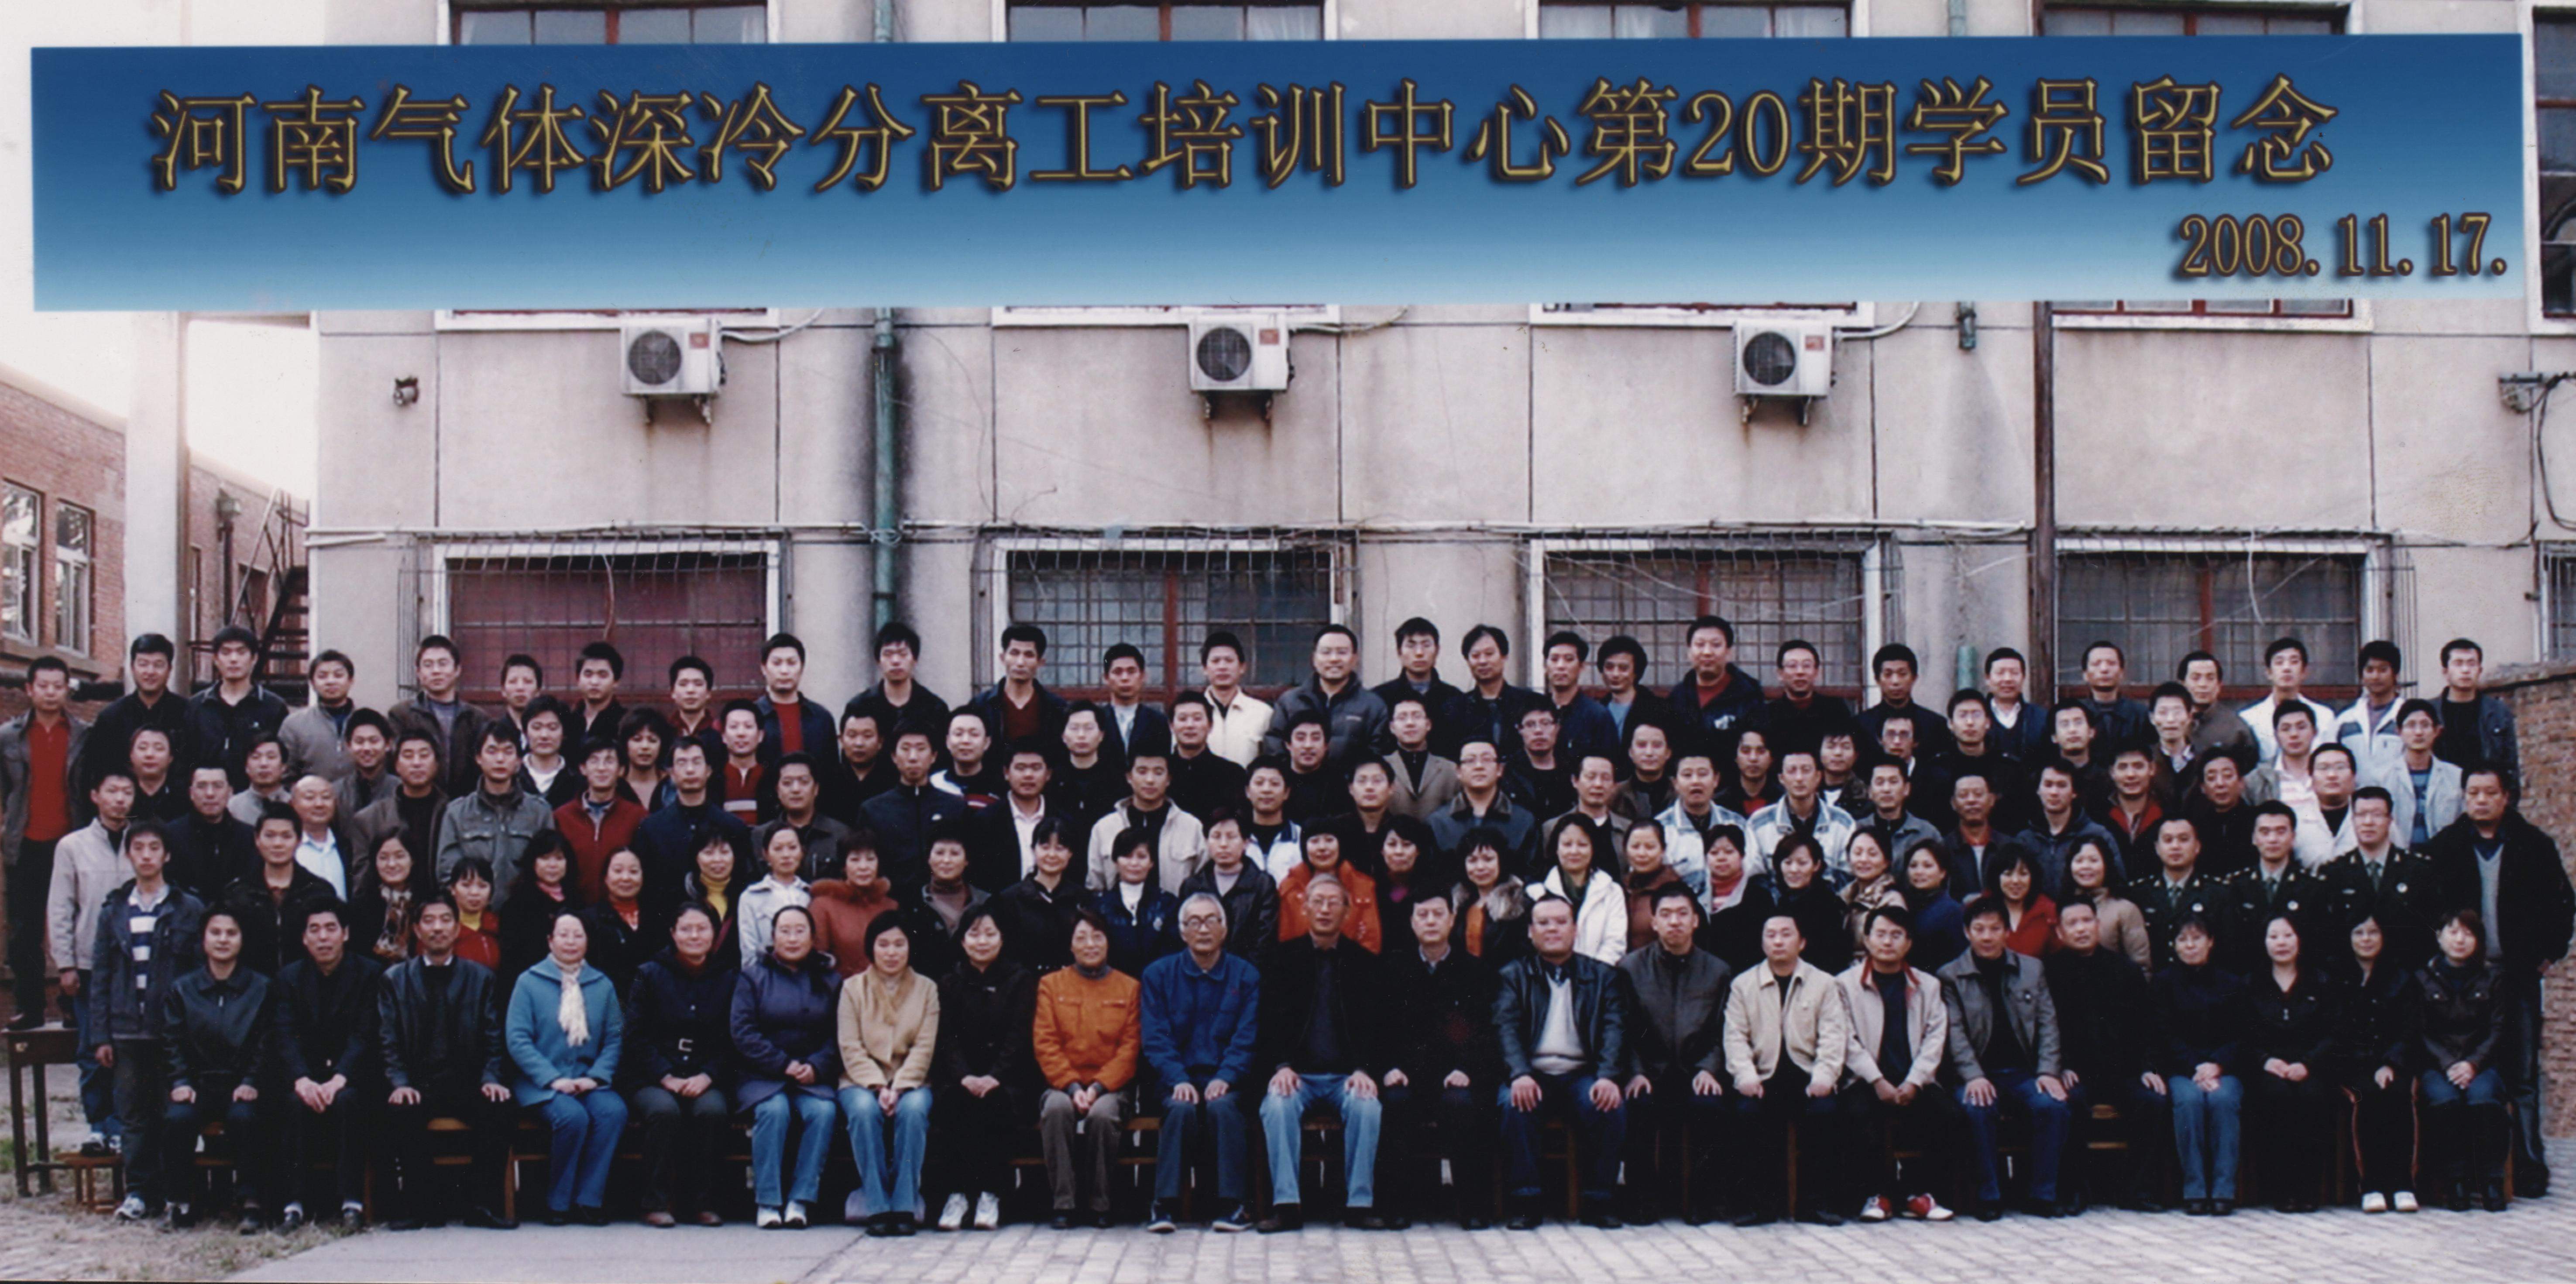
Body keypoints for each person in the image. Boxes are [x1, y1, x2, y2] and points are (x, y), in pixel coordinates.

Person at [2424, 764, 2576, 1194]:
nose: (2481, 800)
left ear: (2506, 796)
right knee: (2466, 1069)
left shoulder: (2534, 845)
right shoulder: (2446, 847)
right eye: (2473, 792)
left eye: (2490, 792)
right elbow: (2428, 909)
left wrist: (2547, 956)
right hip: (2462, 977)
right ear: (2464, 797)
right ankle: (2471, 1168)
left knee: (2522, 1073)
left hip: (2518, 973)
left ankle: (2528, 1165)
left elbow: (2562, 905)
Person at [376, 893, 517, 1231]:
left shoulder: (481, 978)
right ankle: (423, 1207)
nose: (437, 928)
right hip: (418, 1082)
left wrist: (491, 1078)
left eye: (445, 921)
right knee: (400, 1109)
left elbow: (493, 1037)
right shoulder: (395, 980)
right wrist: (400, 1083)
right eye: (429, 921)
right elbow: (388, 1039)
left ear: (456, 929)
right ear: (417, 930)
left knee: (499, 1106)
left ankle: (482, 1205)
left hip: (467, 1080)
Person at [1253, 876, 1386, 1232]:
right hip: (1297, 1075)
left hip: (1346, 1076)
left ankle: (1359, 1204)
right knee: (1278, 1105)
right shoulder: (1281, 960)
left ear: (1347, 911)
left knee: (1367, 1106)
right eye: (1318, 902)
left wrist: (1364, 1069)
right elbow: (1267, 1023)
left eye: (1333, 903)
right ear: (1304, 908)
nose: (1325, 909)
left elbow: (1377, 1027)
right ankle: (1287, 1205)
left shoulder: (1365, 963)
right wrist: (1281, 1066)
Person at [88, 820, 203, 1219]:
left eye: (155, 848)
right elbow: (101, 976)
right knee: (134, 1116)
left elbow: (199, 975)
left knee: (174, 1114)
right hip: (126, 1030)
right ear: (129, 855)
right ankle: (138, 1192)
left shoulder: (188, 909)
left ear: (167, 855)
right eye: (139, 848)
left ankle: (175, 1192)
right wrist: (100, 1035)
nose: (147, 856)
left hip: (171, 1032)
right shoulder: (115, 910)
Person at [1495, 896, 1629, 1229]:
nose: (1552, 929)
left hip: (1582, 1073)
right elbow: (1505, 1028)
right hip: (1533, 1072)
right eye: (1543, 923)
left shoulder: (1602, 976)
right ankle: (1525, 1201)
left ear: (1575, 929)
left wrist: (1608, 1076)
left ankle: (1599, 1201)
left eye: (1560, 922)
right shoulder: (1513, 975)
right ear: (1531, 932)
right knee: (1515, 1105)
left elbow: (1615, 1029)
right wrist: (1520, 1074)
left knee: (1609, 1105)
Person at [1938, 899, 2070, 1219]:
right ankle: (1989, 1195)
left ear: (2007, 932)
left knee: (2052, 1105)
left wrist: (2048, 1071)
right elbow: (1955, 1034)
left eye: (1995, 929)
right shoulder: (1951, 976)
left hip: (2024, 1072)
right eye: (1980, 929)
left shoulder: (2032, 969)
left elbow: (2048, 1024)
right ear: (1967, 933)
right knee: (1977, 1108)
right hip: (1979, 1073)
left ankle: (2042, 1194)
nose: (1987, 937)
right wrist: (1973, 1076)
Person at [1138, 894, 1261, 1233]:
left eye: (1211, 921)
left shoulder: (1246, 976)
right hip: (1175, 1079)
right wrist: (1178, 1078)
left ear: (1225, 929)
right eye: (1194, 922)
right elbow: (1156, 1038)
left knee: (1223, 1107)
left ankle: (1232, 1205)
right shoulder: (1158, 975)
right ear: (1182, 931)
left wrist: (1227, 1076)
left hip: (1228, 1079)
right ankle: (1165, 1205)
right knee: (1181, 1109)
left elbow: (1246, 1037)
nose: (1203, 929)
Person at [1377, 894, 1498, 1229]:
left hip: (1456, 1075)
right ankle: (1397, 1205)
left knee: (1463, 1103)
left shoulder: (1475, 970)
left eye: (1438, 914)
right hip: (1406, 1074)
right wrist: (1389, 1068)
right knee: (1395, 1101)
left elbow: (1485, 1031)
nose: (1430, 921)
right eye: (1423, 914)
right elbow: (1379, 1028)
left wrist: (1467, 1069)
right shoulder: (1393, 969)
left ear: (1452, 919)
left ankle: (1473, 1206)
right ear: (1412, 921)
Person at [503, 909, 627, 1226]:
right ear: (550, 941)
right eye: (564, 935)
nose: (571, 942)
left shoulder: (602, 985)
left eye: (578, 935)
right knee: (572, 1118)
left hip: (588, 1081)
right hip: (540, 1083)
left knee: (613, 1112)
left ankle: (589, 1200)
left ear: (587, 941)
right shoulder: (529, 982)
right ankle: (557, 1202)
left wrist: (596, 1077)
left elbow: (615, 1037)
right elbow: (518, 1039)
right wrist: (553, 1078)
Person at [1723, 912, 1847, 1225]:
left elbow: (1834, 1036)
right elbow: (1735, 1037)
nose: (1778, 941)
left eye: (1786, 934)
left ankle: (1815, 1205)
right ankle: (1759, 1206)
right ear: (1762, 942)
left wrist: (1825, 1076)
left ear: (1802, 942)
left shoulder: (1824, 983)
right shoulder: (1743, 985)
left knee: (1826, 1113)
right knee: (1746, 1114)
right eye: (1771, 935)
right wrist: (1745, 1075)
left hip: (1807, 1075)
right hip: (1763, 1076)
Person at [2043, 899, 2166, 1212]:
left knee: (2152, 1101)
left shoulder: (2125, 970)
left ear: (2099, 926)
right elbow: (2045, 1028)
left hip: (2123, 1070)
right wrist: (2061, 1066)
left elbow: (2147, 1025)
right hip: (2076, 1071)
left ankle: (2137, 1190)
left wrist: (2148, 1067)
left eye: (2087, 921)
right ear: (2060, 932)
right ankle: (2073, 1191)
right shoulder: (2051, 972)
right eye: (2073, 924)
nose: (2082, 929)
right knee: (2068, 1103)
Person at [1617, 886, 1731, 1224]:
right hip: (1650, 1070)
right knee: (1637, 1105)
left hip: (1696, 1070)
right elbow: (1624, 1030)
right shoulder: (1631, 968)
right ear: (1653, 922)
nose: (1675, 922)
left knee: (1709, 1106)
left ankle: (1701, 1200)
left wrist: (1710, 1068)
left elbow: (1724, 1030)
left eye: (1683, 914)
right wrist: (1636, 1071)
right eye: (1665, 915)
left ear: (1696, 921)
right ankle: (1643, 1199)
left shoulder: (1718, 971)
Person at [158, 909, 277, 1231]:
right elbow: (172, 1040)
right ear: (203, 939)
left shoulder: (261, 988)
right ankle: (179, 1201)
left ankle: (252, 1202)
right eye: (216, 933)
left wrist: (252, 1080)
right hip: (198, 1084)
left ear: (242, 940)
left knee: (246, 1118)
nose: (223, 940)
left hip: (242, 1084)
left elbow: (266, 1041)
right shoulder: (182, 990)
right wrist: (181, 1081)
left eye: (231, 933)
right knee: (177, 1119)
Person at [1837, 905, 1956, 1224]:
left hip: (1914, 1079)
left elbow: (1935, 1038)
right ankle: (1878, 1195)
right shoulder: (1845, 985)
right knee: (1859, 1115)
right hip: (1865, 1079)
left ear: (1909, 943)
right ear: (1867, 939)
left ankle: (1918, 1193)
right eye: (1880, 934)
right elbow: (1846, 1039)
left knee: (1948, 1115)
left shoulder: (1928, 985)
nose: (1887, 942)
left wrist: (1915, 1081)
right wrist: (1877, 1080)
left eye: (1896, 935)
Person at [624, 903, 737, 1227]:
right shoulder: (648, 974)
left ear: (714, 934)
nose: (694, 936)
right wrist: (665, 1075)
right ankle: (655, 1202)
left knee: (712, 1111)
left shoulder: (730, 977)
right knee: (664, 1111)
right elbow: (633, 1035)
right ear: (673, 934)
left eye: (702, 929)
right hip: (653, 1076)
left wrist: (708, 1075)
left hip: (705, 1075)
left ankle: (703, 1203)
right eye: (686, 929)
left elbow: (734, 1037)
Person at [271, 900, 381, 1229]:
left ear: (345, 934)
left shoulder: (369, 974)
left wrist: (340, 1078)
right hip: (306, 1075)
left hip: (352, 1076)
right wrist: (302, 1079)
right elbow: (285, 1034)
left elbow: (365, 1034)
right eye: (315, 930)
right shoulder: (289, 978)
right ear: (304, 938)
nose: (323, 938)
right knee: (294, 1104)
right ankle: (293, 1203)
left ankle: (352, 1202)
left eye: (331, 929)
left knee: (349, 1102)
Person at [731, 903, 841, 1229]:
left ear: (813, 937)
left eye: (800, 931)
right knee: (774, 1111)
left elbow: (840, 1034)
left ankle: (800, 1200)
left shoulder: (830, 980)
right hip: (763, 1074)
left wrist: (817, 1066)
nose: (793, 939)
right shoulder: (753, 977)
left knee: (823, 1112)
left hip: (812, 1075)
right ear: (773, 937)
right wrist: (783, 1065)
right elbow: (743, 1031)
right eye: (785, 932)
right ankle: (767, 1201)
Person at [929, 905, 1034, 1232]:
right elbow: (946, 1039)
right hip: (960, 1078)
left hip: (1007, 1078)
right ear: (962, 941)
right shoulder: (949, 982)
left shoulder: (1020, 980)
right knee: (956, 1105)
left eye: (990, 934)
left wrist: (994, 1076)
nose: (982, 942)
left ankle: (991, 1194)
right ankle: (957, 1194)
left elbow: (1019, 1036)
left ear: (1003, 939)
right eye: (974, 934)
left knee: (994, 1105)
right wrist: (964, 1076)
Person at [1033, 911, 1142, 1228]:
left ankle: (1100, 1203)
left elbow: (1130, 1048)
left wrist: (1097, 1088)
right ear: (1070, 945)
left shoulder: (1129, 987)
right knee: (1056, 1109)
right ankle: (1064, 1203)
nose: (1090, 945)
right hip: (1063, 1085)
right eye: (1081, 938)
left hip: (1110, 1088)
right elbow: (1045, 1042)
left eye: (1097, 937)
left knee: (1103, 1115)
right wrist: (1071, 1087)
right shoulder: (1051, 985)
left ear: (1108, 942)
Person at [45, 768, 137, 1137]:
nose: (120, 799)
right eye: (112, 791)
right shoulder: (73, 846)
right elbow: (60, 907)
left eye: (127, 792)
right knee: (93, 1048)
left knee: (132, 1051)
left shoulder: (144, 842)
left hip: (136, 962)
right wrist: (65, 964)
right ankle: (100, 1125)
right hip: (88, 964)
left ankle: (130, 1124)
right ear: (96, 796)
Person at [838, 914, 941, 1236]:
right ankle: (877, 1204)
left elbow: (925, 1047)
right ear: (872, 948)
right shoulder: (852, 989)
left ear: (910, 947)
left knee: (914, 1111)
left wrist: (900, 1087)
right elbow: (850, 1047)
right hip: (861, 1079)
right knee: (863, 1111)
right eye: (883, 945)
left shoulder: (927, 989)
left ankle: (905, 1203)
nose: (892, 952)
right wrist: (879, 1086)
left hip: (912, 1080)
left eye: (899, 944)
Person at [2414, 909, 2511, 1212]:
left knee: (2484, 1100)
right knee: (2445, 1102)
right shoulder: (2422, 979)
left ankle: (2491, 1181)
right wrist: (2448, 1064)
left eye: (2468, 934)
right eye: (2453, 932)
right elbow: (2420, 1032)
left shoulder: (2493, 978)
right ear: (2439, 937)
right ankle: (2454, 1182)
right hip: (2438, 1065)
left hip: (2481, 1064)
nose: (2460, 940)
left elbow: (2498, 1029)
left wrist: (2473, 1064)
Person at [2151, 915, 2247, 1216]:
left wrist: (2217, 1064)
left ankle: (2223, 1190)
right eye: (2183, 940)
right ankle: (2194, 1189)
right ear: (2174, 946)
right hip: (2183, 1069)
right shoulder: (2164, 983)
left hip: (2224, 1069)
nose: (2190, 946)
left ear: (2211, 942)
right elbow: (2164, 1033)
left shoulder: (2232, 983)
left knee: (2223, 1099)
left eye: (2197, 939)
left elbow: (2242, 1034)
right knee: (2189, 1101)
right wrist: (2196, 1067)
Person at [2243, 913, 2334, 1212]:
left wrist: (2308, 1064)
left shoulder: (2320, 981)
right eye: (2274, 937)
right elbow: (2243, 1034)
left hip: (2310, 1066)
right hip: (2268, 1068)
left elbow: (2333, 1034)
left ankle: (2308, 1190)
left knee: (2312, 1098)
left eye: (2288, 936)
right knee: (2276, 1097)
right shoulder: (2252, 983)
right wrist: (2265, 1061)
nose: (2281, 943)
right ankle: (2280, 1190)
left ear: (2300, 940)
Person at [2333, 913, 2420, 1214]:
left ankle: (2402, 1184)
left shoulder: (2401, 977)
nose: (2366, 939)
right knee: (2367, 1097)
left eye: (2373, 932)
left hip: (2393, 1063)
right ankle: (2371, 1185)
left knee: (2397, 1095)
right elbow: (2337, 1030)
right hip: (2352, 1064)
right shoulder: (2338, 977)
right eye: (2359, 933)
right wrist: (2368, 1064)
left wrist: (2390, 1063)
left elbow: (2409, 1028)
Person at [436, 724, 556, 905]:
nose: (500, 759)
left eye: (508, 752)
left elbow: (550, 867)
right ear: (479, 758)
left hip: (526, 911)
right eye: (492, 751)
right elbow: (447, 871)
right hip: (473, 912)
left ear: (519, 760)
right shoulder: (457, 813)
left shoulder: (539, 812)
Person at [2324, 786, 2440, 969]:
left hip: (2407, 973)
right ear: (2353, 820)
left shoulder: (2418, 870)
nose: (2368, 822)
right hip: (2353, 975)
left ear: (2390, 820)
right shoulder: (2335, 873)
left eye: (2377, 815)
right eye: (2361, 815)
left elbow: (2429, 931)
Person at [221, 805, 336, 977]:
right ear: (257, 840)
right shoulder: (237, 893)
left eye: (286, 836)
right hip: (252, 987)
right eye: (270, 836)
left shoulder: (318, 891)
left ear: (299, 841)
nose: (278, 844)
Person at [861, 725, 967, 896]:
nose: (913, 757)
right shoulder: (873, 810)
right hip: (891, 902)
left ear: (934, 756)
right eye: (905, 749)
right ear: (894, 757)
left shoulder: (955, 807)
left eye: (921, 749)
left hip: (945, 900)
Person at [188, 627, 292, 791]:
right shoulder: (197, 706)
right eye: (226, 653)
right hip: (208, 797)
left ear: (254, 659)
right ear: (216, 659)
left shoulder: (273, 707)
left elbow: (283, 759)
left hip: (257, 798)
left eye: (241, 652)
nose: (234, 659)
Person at [1175, 806, 1280, 968]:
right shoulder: (1193, 886)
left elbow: (1264, 941)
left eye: (1232, 837)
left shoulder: (1262, 884)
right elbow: (1185, 935)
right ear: (1206, 841)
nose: (1223, 845)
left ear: (1246, 843)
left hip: (1247, 973)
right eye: (1216, 837)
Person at [386, 636, 490, 797]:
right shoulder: (402, 715)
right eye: (428, 665)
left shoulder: (476, 718)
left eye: (443, 664)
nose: (436, 671)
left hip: (465, 803)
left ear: (457, 670)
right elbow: (393, 765)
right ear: (418, 673)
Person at [1428, 738, 1541, 879]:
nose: (1479, 766)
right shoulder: (1439, 822)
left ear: (1500, 770)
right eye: (1470, 761)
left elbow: (1530, 874)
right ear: (1458, 772)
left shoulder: (1523, 820)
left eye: (1487, 760)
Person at [1746, 749, 1857, 884]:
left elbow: (1848, 878)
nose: (1799, 778)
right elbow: (1755, 876)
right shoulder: (1759, 823)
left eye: (1806, 770)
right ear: (1782, 778)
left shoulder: (1843, 823)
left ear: (1818, 777)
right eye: (1792, 771)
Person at [991, 815, 1084, 973]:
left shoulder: (1082, 899)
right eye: (1045, 847)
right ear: (1033, 849)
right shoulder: (1008, 900)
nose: (1052, 855)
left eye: (1060, 848)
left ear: (1070, 853)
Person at [558, 738, 648, 902]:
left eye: (609, 761)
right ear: (583, 768)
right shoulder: (563, 817)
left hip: (622, 908)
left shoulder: (638, 817)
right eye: (594, 761)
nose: (601, 768)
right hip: (574, 910)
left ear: (621, 770)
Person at [1440, 624, 1544, 762]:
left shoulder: (1531, 703)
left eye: (1489, 654)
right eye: (1476, 656)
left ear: (1504, 656)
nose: (1483, 661)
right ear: (1468, 660)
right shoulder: (1454, 709)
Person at [2136, 815, 2228, 971]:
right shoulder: (2139, 893)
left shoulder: (2218, 893)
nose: (2175, 846)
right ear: (2157, 848)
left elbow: (2227, 950)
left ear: (2197, 847)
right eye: (2168, 840)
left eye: (2184, 840)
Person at [1653, 752, 1749, 898]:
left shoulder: (1737, 823)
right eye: (1687, 775)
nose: (1696, 782)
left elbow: (1750, 872)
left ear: (1716, 780)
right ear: (1675, 783)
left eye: (1703, 774)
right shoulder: (1661, 829)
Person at [846, 623, 952, 755]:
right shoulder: (860, 706)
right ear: (879, 661)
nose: (896, 661)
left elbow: (943, 756)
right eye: (888, 654)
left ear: (915, 659)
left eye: (903, 654)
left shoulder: (935, 708)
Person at [2372, 700, 2463, 850]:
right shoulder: (2381, 778)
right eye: (2411, 725)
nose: (2419, 732)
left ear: (2437, 731)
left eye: (2425, 725)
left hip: (2444, 857)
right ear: (2399, 732)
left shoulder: (2456, 777)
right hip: (2398, 858)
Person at [1533, 817, 1624, 966]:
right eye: (1567, 845)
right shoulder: (1537, 892)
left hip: (1599, 975)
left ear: (1593, 848)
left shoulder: (1612, 891)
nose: (1574, 851)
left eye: (1582, 845)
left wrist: (1592, 975)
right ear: (1556, 849)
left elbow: (1615, 944)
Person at [1090, 827, 1178, 977]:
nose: (1134, 863)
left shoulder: (1168, 904)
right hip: (1113, 985)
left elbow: (1173, 953)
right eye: (1127, 856)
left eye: (1142, 857)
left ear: (1152, 862)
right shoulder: (1099, 906)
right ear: (1116, 861)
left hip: (1158, 984)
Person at [1277, 827, 1382, 952]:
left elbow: (1370, 942)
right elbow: (1285, 940)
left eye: (1329, 840)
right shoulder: (1290, 887)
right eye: (1315, 841)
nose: (1322, 848)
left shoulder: (1363, 885)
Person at [808, 838, 897, 982]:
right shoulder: (823, 906)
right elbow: (817, 960)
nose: (864, 867)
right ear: (844, 866)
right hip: (840, 990)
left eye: (870, 859)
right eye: (855, 860)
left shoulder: (891, 906)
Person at [2242, 638, 2338, 769]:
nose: (2287, 668)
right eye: (2279, 662)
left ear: (2304, 672)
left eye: (2294, 662)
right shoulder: (2249, 719)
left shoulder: (2324, 716)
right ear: (2269, 673)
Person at [498, 831, 581, 980]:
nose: (552, 865)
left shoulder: (578, 902)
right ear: (533, 862)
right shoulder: (517, 906)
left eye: (559, 858)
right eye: (545, 858)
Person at [2062, 838, 2150, 970]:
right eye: (2079, 861)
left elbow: (2141, 965)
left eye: (2094, 860)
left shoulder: (2125, 910)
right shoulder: (2062, 907)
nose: (2086, 867)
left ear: (2106, 865)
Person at [2432, 639, 2517, 775]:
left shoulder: (2498, 712)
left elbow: (2510, 764)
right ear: (2445, 672)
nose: (2466, 670)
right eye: (2458, 664)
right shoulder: (2431, 712)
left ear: (2480, 670)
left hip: (2484, 786)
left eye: (2471, 664)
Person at [752, 633, 837, 767]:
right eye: (777, 663)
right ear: (764, 668)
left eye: (792, 663)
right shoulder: (752, 718)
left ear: (802, 667)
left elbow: (832, 770)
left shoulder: (821, 718)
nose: (784, 671)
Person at [1449, 828, 1530, 968]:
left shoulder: (1519, 903)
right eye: (1472, 861)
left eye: (1488, 859)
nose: (1480, 867)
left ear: (1501, 861)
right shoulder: (1457, 905)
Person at [736, 823, 814, 966]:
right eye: (778, 849)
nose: (786, 855)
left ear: (802, 851)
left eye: (792, 848)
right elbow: (749, 952)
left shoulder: (812, 895)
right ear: (766, 854)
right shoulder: (751, 897)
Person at [580, 849, 658, 991]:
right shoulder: (589, 920)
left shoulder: (657, 917)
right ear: (605, 877)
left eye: (634, 872)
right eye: (618, 871)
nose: (626, 878)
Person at [1166, 692, 1250, 824]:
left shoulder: (1233, 774)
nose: (1190, 725)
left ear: (1210, 726)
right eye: (1183, 719)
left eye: (1197, 719)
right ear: (1172, 726)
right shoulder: (1162, 772)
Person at [1770, 835, 1850, 974]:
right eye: (1788, 863)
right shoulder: (1778, 902)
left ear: (1816, 865)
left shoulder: (1828, 906)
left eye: (1802, 863)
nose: (1794, 870)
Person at [1381, 696, 1462, 824]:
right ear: (1392, 727)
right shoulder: (1381, 767)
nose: (1410, 723)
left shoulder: (1451, 769)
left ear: (1428, 725)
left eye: (1417, 716)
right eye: (1402, 718)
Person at [1201, 631, 1276, 768]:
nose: (1222, 667)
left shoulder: (1262, 713)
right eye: (1216, 661)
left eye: (1229, 661)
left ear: (1242, 667)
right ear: (1205, 669)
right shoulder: (1192, 714)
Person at [1618, 821, 1688, 954]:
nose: (1642, 854)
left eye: (1650, 847)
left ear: (1663, 850)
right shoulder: (1620, 887)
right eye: (1635, 847)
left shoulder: (1674, 890)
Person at [1898, 841, 1966, 973]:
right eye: (1913, 866)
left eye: (1928, 866)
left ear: (1943, 873)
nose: (1919, 872)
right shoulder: (1902, 903)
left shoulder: (1952, 912)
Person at [1978, 849, 2058, 960]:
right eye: (2008, 874)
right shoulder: (1979, 909)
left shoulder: (2049, 911)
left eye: (2023, 874)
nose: (2016, 881)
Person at [1839, 830, 1907, 954]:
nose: (1864, 859)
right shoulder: (1843, 897)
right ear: (1848, 859)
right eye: (1858, 853)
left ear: (1886, 862)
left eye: (1873, 854)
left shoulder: (1892, 901)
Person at [445, 858, 503, 972]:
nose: (475, 893)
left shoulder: (500, 927)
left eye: (482, 886)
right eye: (466, 885)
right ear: (453, 889)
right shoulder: (443, 929)